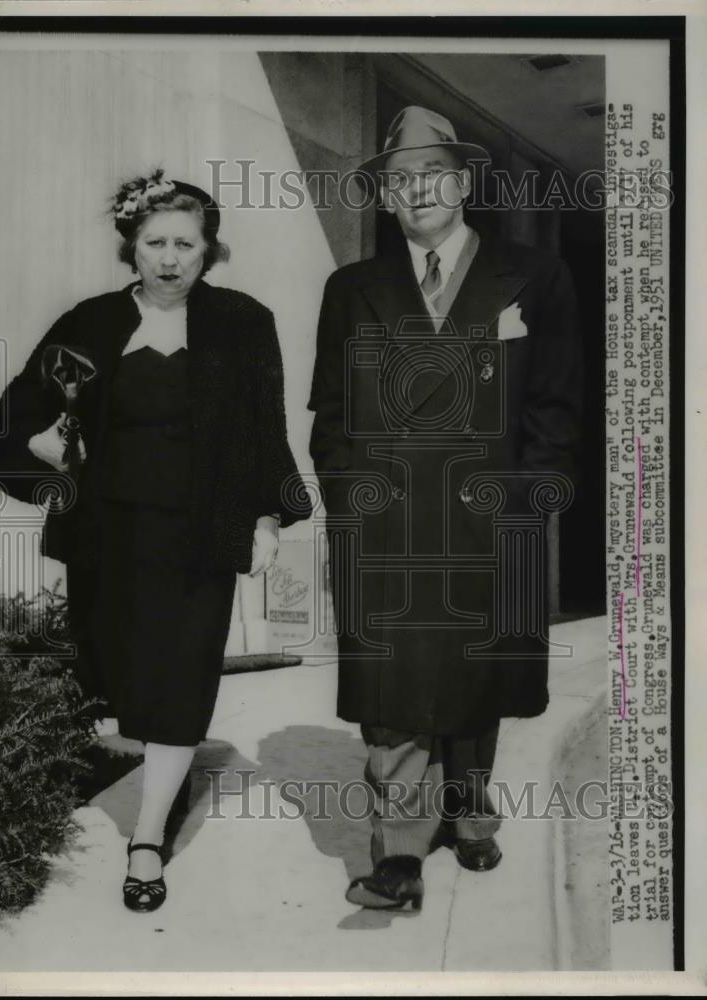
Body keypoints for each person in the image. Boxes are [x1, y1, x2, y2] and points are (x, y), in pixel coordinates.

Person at [0, 169, 310, 913]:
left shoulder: (242, 321)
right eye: (155, 242)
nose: (170, 258)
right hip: (109, 539)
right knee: (113, 675)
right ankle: (159, 773)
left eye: (185, 244)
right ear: (131, 247)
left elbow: (266, 432)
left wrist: (266, 518)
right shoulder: (88, 325)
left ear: (208, 250)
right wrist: (51, 461)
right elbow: (10, 425)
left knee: (180, 686)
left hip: (199, 540)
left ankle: (148, 838)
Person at [308, 106, 582, 909]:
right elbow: (331, 412)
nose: (416, 191)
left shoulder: (536, 276)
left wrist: (528, 503)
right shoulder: (351, 288)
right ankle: (397, 851)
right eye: (399, 180)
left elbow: (557, 406)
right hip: (387, 521)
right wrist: (348, 500)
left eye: (432, 175)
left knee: (476, 673)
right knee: (393, 685)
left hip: (490, 512)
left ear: (463, 184)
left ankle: (467, 808)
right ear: (386, 198)